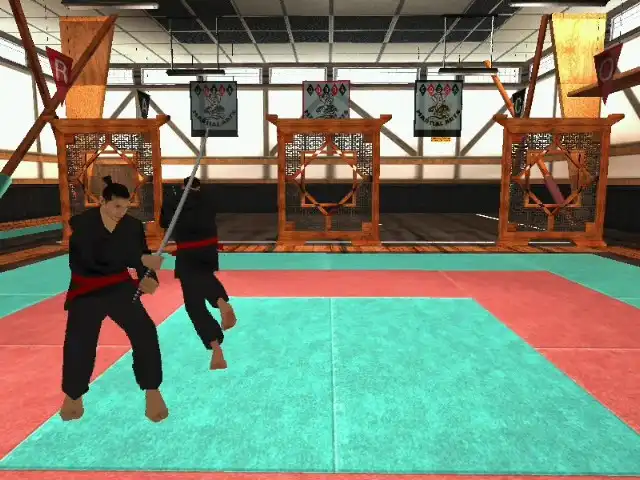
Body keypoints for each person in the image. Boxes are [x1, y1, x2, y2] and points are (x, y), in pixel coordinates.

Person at [60, 176, 168, 423]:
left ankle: (152, 390)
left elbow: (141, 255)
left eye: (126, 207)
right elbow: (86, 261)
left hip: (119, 286)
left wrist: (148, 275)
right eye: (117, 206)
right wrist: (135, 260)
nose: (121, 212)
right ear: (102, 201)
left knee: (145, 331)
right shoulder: (83, 225)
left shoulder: (132, 226)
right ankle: (73, 395)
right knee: (79, 340)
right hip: (87, 288)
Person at [160, 176, 237, 371]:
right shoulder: (208, 199)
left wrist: (172, 198)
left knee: (194, 305)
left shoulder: (175, 201)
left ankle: (216, 348)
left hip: (188, 251)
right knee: (204, 277)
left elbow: (165, 222)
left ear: (183, 186)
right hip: (208, 250)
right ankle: (221, 302)